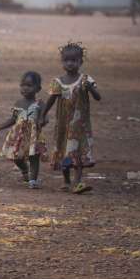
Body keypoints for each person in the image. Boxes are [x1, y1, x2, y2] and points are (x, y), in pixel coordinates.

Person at [42, 42, 101, 194]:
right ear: (62, 62)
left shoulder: (85, 80)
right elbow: (50, 101)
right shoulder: (58, 82)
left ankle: (77, 181)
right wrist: (43, 115)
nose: (70, 63)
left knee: (78, 152)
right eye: (67, 60)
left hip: (80, 126)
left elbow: (98, 97)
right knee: (64, 152)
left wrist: (91, 89)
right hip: (63, 125)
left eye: (74, 60)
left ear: (80, 62)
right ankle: (67, 180)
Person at [0, 71, 48, 189]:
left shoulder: (40, 104)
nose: (25, 88)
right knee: (17, 157)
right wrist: (0, 127)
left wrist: (42, 121)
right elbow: (13, 119)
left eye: (29, 86)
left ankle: (33, 180)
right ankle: (25, 170)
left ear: (38, 88)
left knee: (34, 157)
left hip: (33, 136)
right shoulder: (18, 103)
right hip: (19, 136)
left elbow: (45, 118)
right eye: (23, 85)